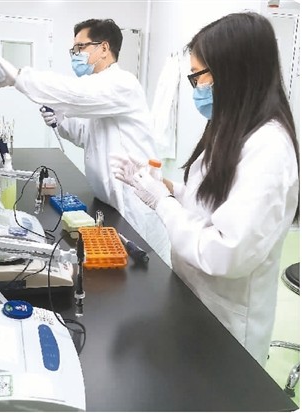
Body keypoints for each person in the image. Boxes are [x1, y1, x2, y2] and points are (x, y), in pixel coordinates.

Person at [110, 12, 299, 366]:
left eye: (199, 75)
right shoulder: (231, 127)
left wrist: (163, 202)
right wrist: (166, 187)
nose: (196, 86)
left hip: (227, 325)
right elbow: (210, 199)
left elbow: (225, 251)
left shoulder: (269, 148)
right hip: (194, 298)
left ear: (234, 72)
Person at [0, 18, 171, 264]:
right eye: (74, 49)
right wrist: (61, 120)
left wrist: (19, 77)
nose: (75, 54)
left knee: (142, 270)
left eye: (81, 47)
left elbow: (74, 94)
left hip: (134, 205)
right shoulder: (99, 90)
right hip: (109, 201)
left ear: (104, 48)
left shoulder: (123, 83)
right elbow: (84, 136)